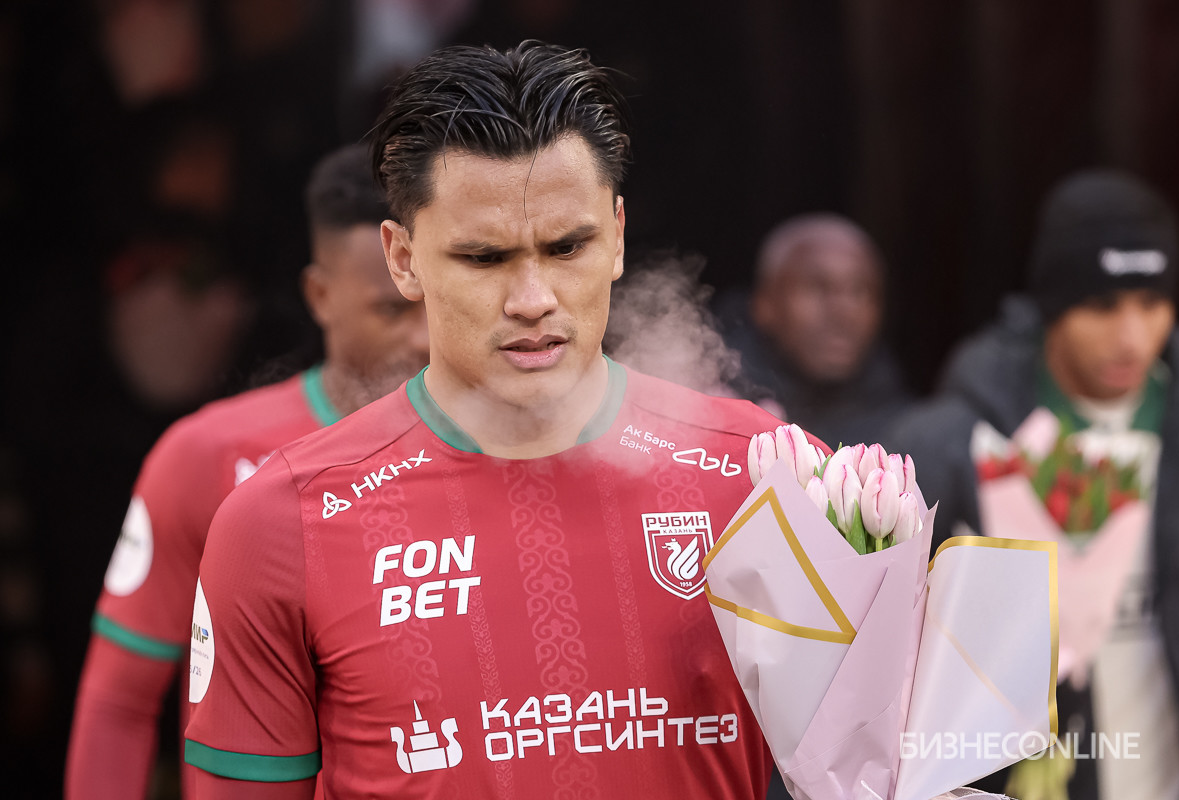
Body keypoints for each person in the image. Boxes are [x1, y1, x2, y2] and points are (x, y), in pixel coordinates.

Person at [182, 41, 808, 798]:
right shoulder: (283, 524)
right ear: (402, 259)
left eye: (567, 247)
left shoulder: (769, 477)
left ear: (616, 235)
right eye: (484, 258)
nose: (533, 299)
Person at [65, 142, 429, 799]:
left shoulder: (511, 443)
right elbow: (119, 703)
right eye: (393, 308)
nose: (425, 336)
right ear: (320, 295)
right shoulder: (205, 455)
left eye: (437, 301)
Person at [889, 169, 1179, 800]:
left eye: (1152, 303)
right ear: (1053, 305)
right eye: (1103, 306)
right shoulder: (955, 445)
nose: (1132, 336)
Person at [724, 213, 913, 449]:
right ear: (765, 305)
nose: (844, 313)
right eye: (816, 288)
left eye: (860, 291)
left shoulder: (912, 437)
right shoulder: (711, 417)